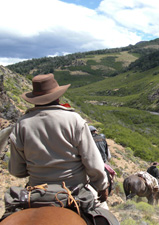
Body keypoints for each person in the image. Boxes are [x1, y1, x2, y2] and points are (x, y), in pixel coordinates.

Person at [4, 73, 115, 224]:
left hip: (36, 192)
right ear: (58, 97)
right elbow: (93, 163)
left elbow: (16, 171)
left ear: (34, 99)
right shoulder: (74, 120)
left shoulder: (21, 124)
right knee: (108, 218)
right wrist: (102, 185)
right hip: (74, 190)